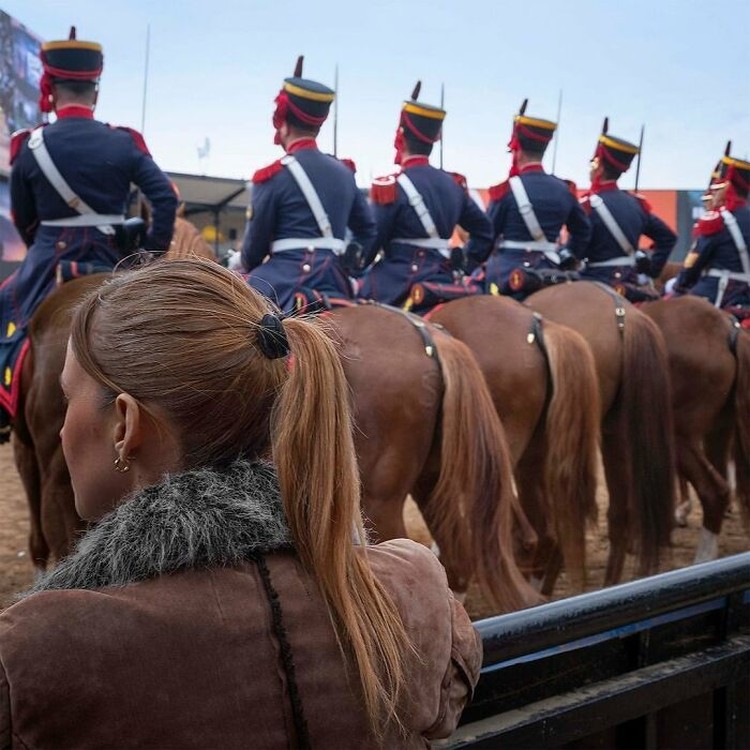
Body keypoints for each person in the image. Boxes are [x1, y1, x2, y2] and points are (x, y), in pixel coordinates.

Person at [0, 258, 481, 748]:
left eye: (66, 400)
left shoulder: (34, 649)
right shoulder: (414, 587)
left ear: (124, 425)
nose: (60, 429)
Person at [0, 27, 177, 443]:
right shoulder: (124, 143)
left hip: (48, 259)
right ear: (94, 92)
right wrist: (149, 257)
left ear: (50, 88)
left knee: (5, 311)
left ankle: (2, 409)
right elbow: (166, 200)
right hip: (113, 261)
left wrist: (41, 246)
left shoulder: (30, 145)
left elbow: (24, 217)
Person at [240, 56, 376, 313]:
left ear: (283, 123)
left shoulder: (273, 176)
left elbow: (253, 253)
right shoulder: (344, 173)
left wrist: (243, 262)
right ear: (318, 124)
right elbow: (367, 231)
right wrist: (349, 264)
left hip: (282, 281)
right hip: (336, 280)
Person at [358, 82, 493, 307]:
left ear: (401, 136)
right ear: (433, 139)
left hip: (395, 283)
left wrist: (355, 265)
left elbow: (372, 240)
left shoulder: (392, 186)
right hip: (444, 277)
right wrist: (464, 264)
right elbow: (485, 231)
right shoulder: (453, 185)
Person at [483, 100, 591, 299]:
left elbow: (488, 235)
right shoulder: (564, 190)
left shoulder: (506, 190)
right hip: (552, 270)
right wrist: (567, 254)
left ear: (517, 149)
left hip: (507, 274)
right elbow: (583, 230)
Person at [578, 119, 677, 300]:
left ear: (599, 168)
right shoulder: (636, 204)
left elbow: (578, 249)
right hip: (630, 281)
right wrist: (652, 269)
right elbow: (668, 237)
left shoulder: (588, 205)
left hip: (595, 280)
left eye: (592, 164)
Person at [674, 146, 750, 308]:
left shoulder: (717, 220)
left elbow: (693, 265)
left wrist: (677, 286)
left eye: (718, 189)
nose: (714, 196)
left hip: (720, 295)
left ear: (727, 187)